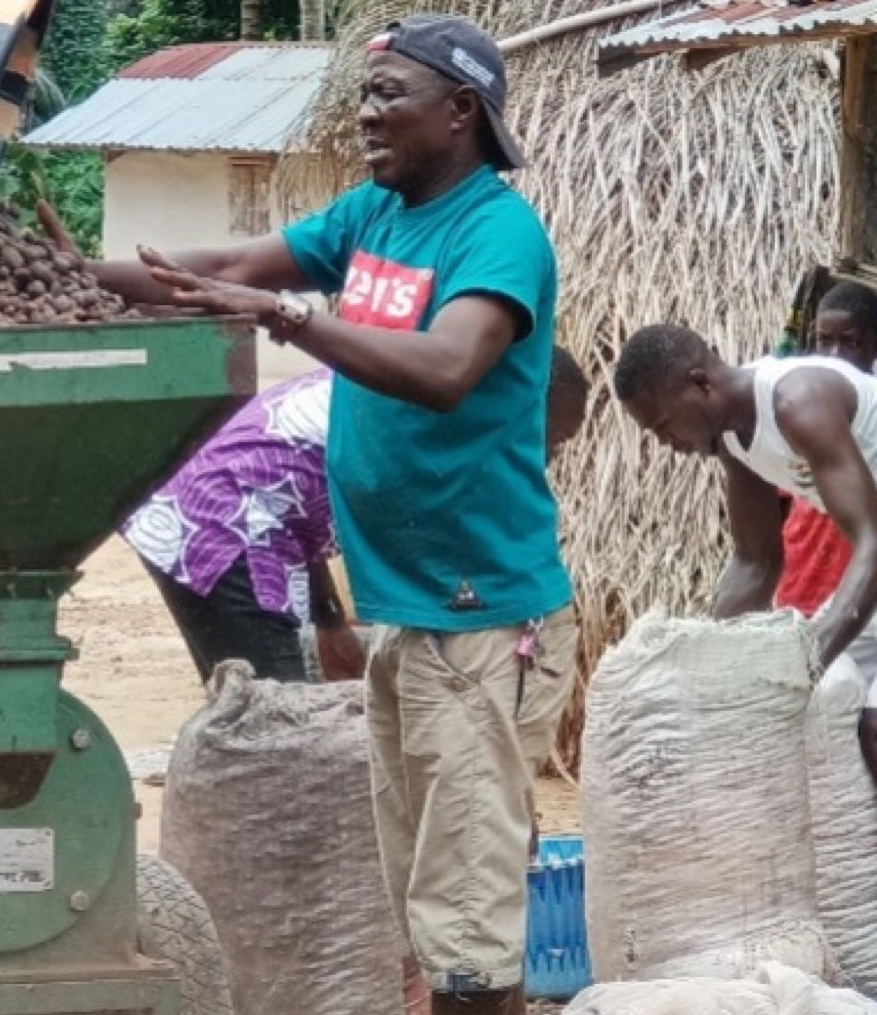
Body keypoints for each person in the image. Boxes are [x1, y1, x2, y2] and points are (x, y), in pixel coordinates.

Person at [92, 15, 579, 1015]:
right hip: (411, 614)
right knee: (430, 885)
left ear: (458, 111)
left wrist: (296, 318)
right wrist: (74, 276)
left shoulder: (495, 233)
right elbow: (224, 270)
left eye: (388, 93)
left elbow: (447, 367)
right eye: (363, 93)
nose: (365, 112)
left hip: (485, 618)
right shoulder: (370, 217)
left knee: (461, 892)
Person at [127, 348, 589, 689]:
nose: (548, 456)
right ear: (522, 407)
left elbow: (293, 502)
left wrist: (330, 622)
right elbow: (410, 553)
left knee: (249, 706)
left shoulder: (420, 389)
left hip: (207, 522)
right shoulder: (431, 427)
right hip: (222, 533)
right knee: (272, 716)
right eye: (551, 438)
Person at [613, 321, 877, 786]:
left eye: (662, 425)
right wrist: (712, 659)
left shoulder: (799, 402)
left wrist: (805, 662)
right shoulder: (734, 439)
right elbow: (755, 560)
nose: (666, 444)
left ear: (700, 384)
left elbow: (872, 541)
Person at [776, 279, 877, 615]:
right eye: (824, 341)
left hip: (857, 592)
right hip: (799, 579)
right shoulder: (798, 405)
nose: (835, 355)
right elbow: (781, 498)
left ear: (874, 345)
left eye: (850, 342)